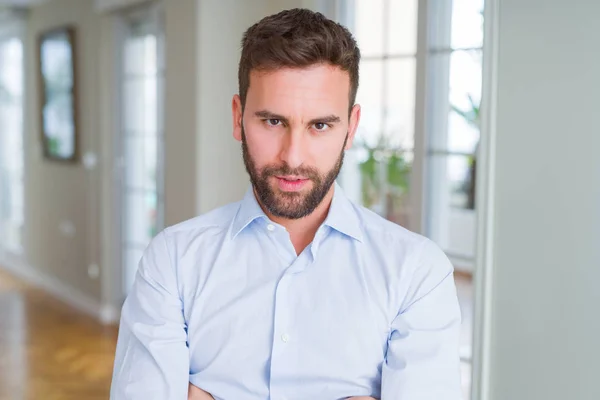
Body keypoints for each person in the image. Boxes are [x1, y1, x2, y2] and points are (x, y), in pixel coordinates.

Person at [110, 8, 462, 400]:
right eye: (273, 122)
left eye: (320, 125)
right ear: (237, 117)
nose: (293, 157)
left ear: (352, 127)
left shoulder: (417, 273)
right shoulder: (172, 261)